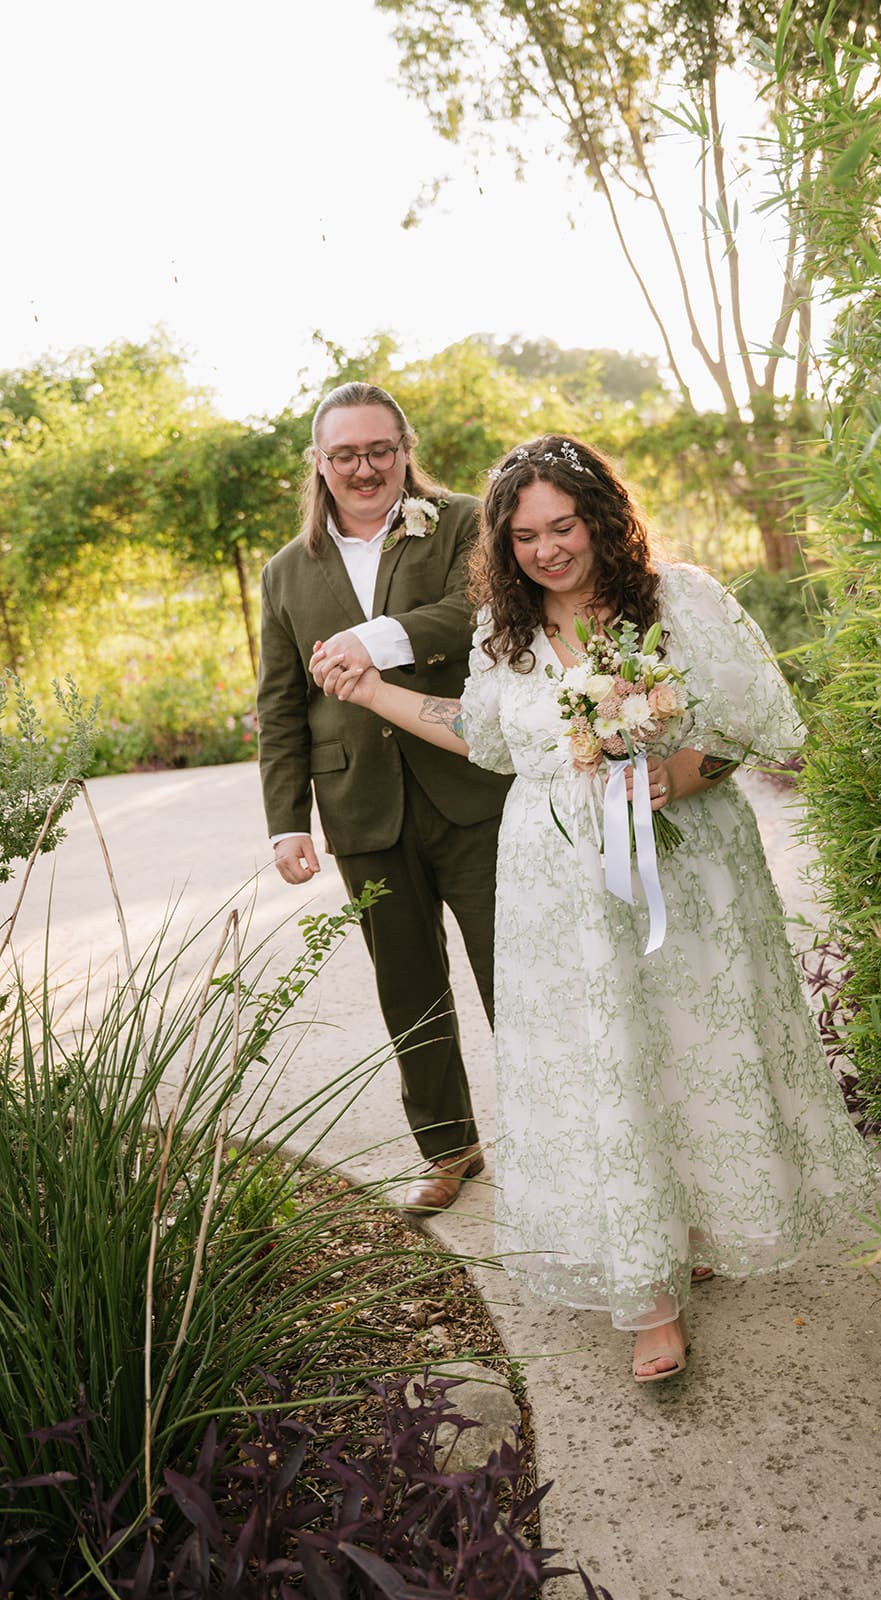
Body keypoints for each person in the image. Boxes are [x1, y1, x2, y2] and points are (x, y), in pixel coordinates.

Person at [310, 434, 880, 1384]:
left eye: (562, 526)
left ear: (601, 518)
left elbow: (751, 728)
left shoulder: (681, 599)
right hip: (559, 877)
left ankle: (693, 1217)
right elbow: (485, 738)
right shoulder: (509, 629)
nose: (547, 550)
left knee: (687, 1036)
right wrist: (374, 689)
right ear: (503, 543)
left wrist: (677, 773)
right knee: (598, 1056)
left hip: (689, 868)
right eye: (525, 535)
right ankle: (645, 1291)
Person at [257, 382, 511, 1210]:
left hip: (472, 786)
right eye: (345, 455)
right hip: (361, 806)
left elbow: (480, 608)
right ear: (319, 464)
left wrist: (373, 640)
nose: (364, 469)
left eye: (379, 450)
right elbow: (281, 702)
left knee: (517, 971)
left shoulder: (465, 521)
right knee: (406, 984)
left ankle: (565, 1138)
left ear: (404, 448)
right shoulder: (286, 572)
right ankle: (449, 1148)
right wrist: (285, 821)